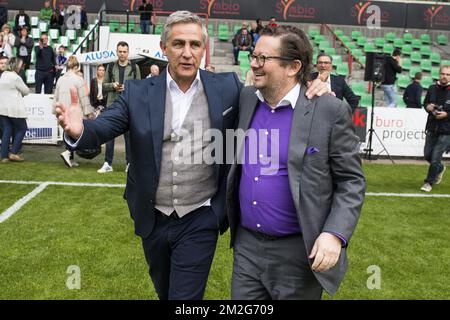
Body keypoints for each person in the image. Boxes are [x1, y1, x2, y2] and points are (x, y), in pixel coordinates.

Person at [55, 11, 329, 300]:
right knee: (165, 291)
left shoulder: (227, 88)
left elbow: (276, 93)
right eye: (179, 44)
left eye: (195, 45)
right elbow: (103, 127)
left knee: (184, 298)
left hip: (200, 217)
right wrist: (78, 130)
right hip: (152, 216)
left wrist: (311, 86)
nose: (187, 53)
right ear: (164, 48)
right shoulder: (137, 92)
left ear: (204, 49)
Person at [226, 25, 365, 300]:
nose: (254, 64)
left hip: (299, 253)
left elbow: (351, 181)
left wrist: (335, 234)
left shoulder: (329, 109)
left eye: (263, 58)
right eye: (254, 56)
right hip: (246, 249)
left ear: (293, 67)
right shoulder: (245, 98)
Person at [97, 41, 141, 174]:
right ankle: (107, 163)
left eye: (124, 51)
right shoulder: (110, 67)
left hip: (128, 105)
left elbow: (139, 87)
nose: (122, 54)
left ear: (128, 52)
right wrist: (113, 86)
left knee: (129, 136)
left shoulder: (135, 67)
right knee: (110, 135)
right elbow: (104, 86)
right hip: (113, 105)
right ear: (117, 52)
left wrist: (127, 87)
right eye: (120, 51)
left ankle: (129, 163)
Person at [55, 56, 95, 168]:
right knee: (77, 135)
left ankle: (70, 158)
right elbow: (84, 98)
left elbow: (56, 97)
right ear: (77, 66)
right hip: (75, 112)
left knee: (68, 134)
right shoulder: (78, 80)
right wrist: (89, 113)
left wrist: (55, 112)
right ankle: (68, 153)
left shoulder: (60, 79)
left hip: (63, 111)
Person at [420, 65, 450, 193]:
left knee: (435, 157)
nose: (445, 76)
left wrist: (447, 114)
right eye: (443, 74)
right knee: (427, 155)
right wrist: (428, 107)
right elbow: (425, 103)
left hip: (447, 130)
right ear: (439, 74)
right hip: (432, 126)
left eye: (448, 74)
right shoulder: (432, 88)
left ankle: (429, 182)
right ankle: (440, 168)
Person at [0, 57, 30, 162]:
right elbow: (26, 91)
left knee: (7, 130)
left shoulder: (3, 75)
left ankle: (4, 156)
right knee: (22, 128)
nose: (21, 67)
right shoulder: (15, 77)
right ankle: (14, 152)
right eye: (20, 65)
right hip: (14, 108)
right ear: (15, 65)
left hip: (2, 108)